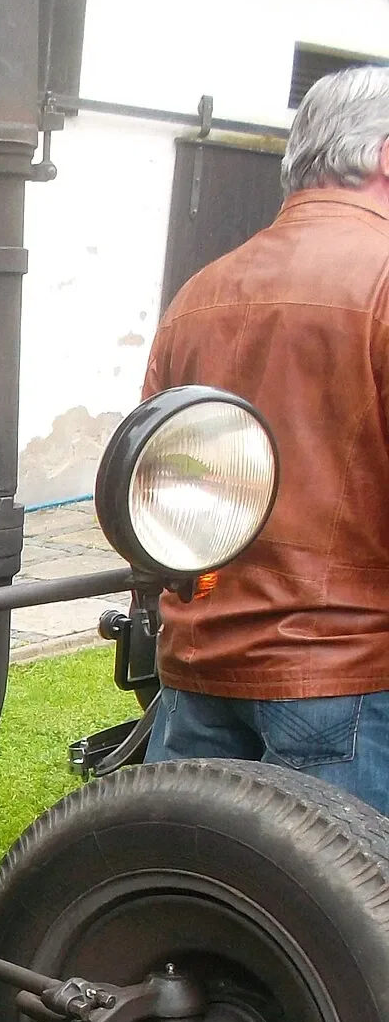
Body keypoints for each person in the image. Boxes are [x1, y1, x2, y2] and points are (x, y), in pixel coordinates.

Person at [143, 64, 389, 812]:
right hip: (348, 681)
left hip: (197, 668)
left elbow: (143, 487)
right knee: (339, 926)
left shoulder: (201, 290)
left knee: (190, 908)